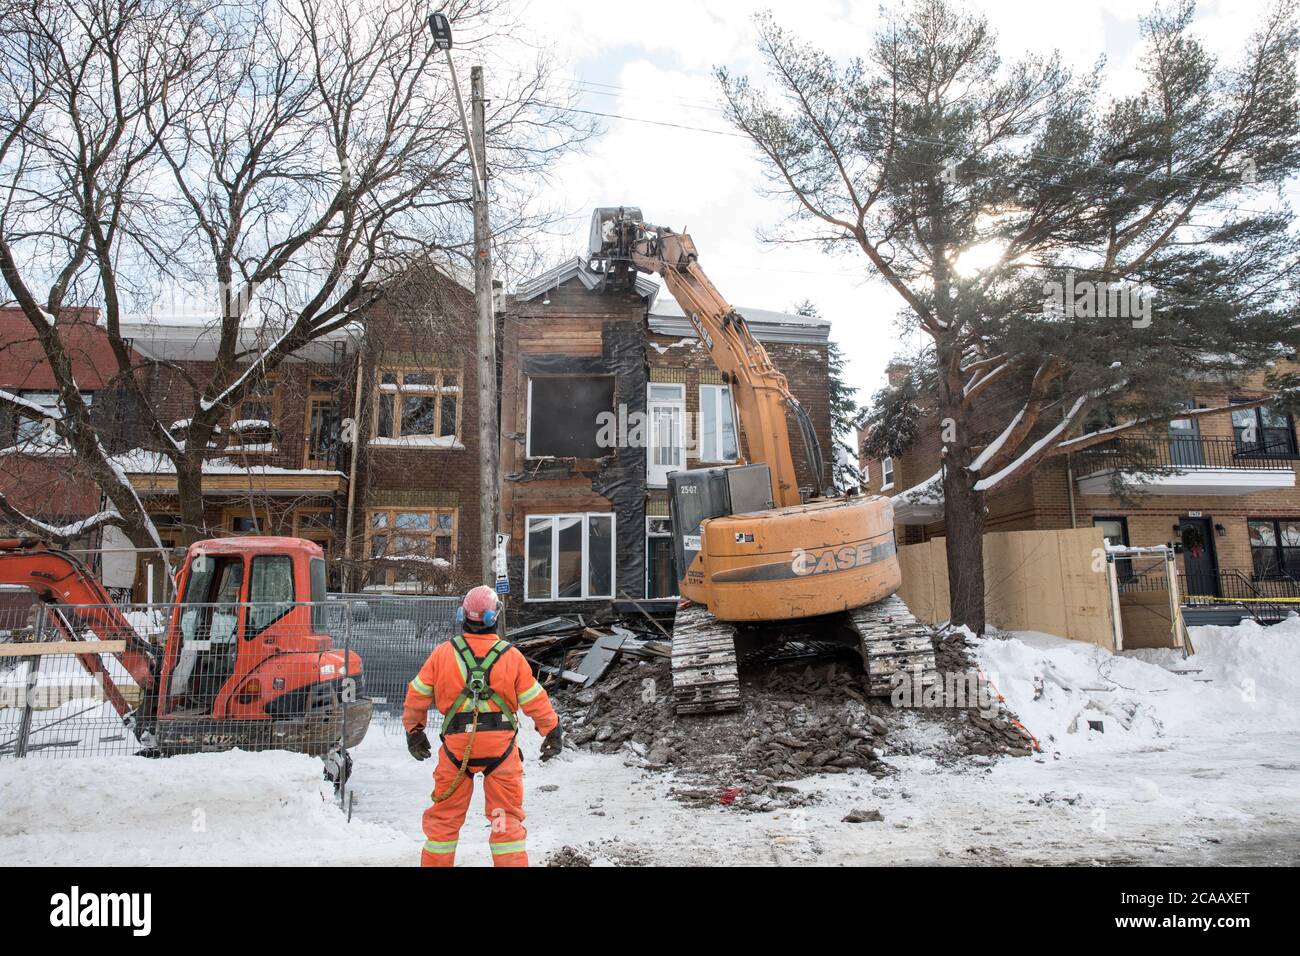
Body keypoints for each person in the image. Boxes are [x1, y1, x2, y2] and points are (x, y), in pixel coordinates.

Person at [403, 585, 561, 867]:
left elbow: (417, 694)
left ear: (462, 615)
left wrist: (414, 731)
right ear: (494, 617)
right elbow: (534, 698)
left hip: (456, 749)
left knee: (444, 821)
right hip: (499, 751)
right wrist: (551, 730)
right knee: (505, 820)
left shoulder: (443, 654)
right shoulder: (510, 656)